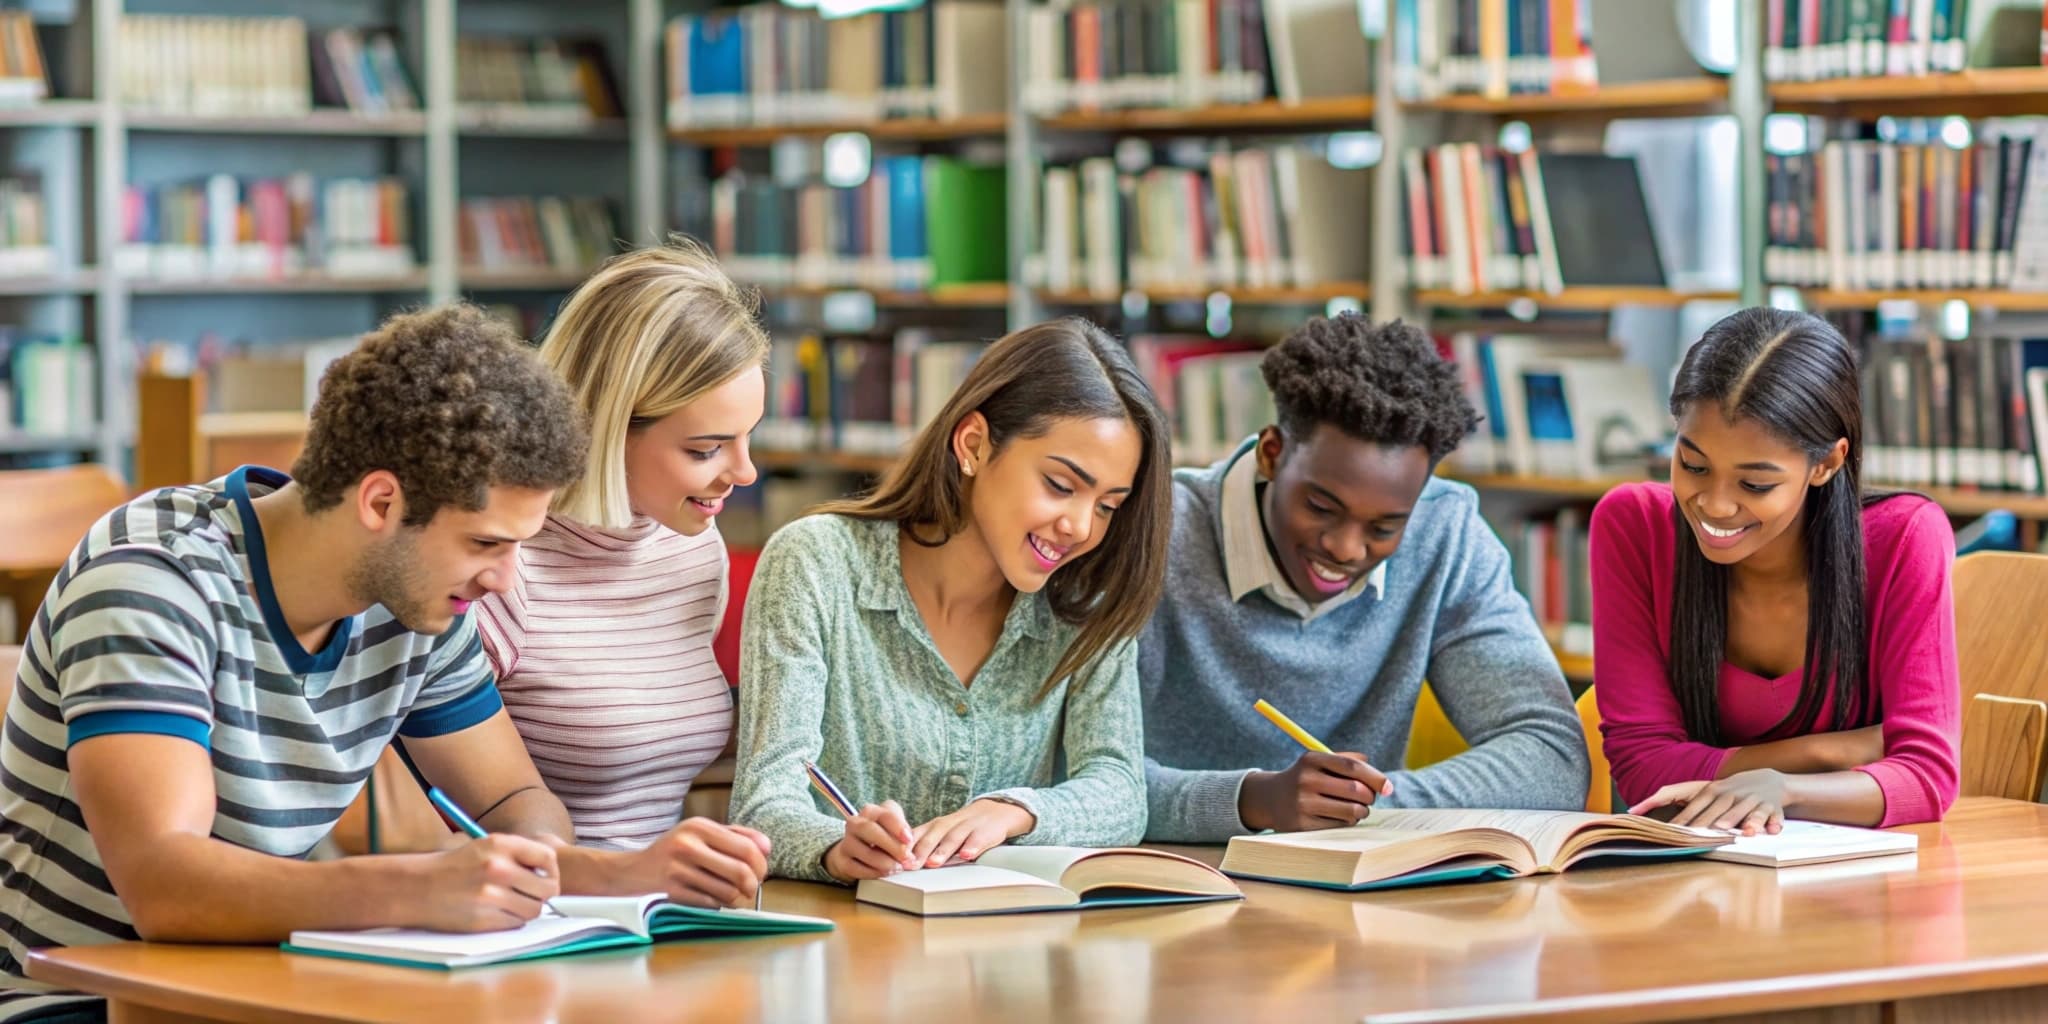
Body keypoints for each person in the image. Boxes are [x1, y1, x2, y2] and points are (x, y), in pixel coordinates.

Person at [0, 306, 712, 1021]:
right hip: (73, 1001)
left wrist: (571, 873)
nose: (504, 578)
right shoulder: (153, 579)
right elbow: (166, 887)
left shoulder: (417, 601)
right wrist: (422, 888)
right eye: (487, 543)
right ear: (381, 501)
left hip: (260, 990)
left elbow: (511, 802)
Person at [730, 318, 1171, 883]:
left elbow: (1120, 790)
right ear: (973, 446)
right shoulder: (816, 562)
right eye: (1061, 486)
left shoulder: (1085, 604)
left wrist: (1012, 812)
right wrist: (835, 847)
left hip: (1000, 948)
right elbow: (764, 802)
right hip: (843, 945)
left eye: (1108, 505)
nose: (1081, 526)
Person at [1139, 314, 1589, 843]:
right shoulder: (1152, 534)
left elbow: (1553, 756)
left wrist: (1364, 804)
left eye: (1384, 526)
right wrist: (1252, 801)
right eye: (1320, 507)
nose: (1346, 548)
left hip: (1357, 889)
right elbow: (1070, 772)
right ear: (1271, 453)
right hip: (1171, 890)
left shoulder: (1444, 533)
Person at [471, 243, 771, 906]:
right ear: (606, 428)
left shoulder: (694, 548)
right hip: (527, 925)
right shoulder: (496, 570)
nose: (743, 473)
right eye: (706, 448)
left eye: (749, 436)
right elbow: (437, 831)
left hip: (662, 920)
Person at [1593, 307, 1959, 833]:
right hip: (1695, 882)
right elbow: (1644, 772)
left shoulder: (1905, 538)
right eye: (1693, 466)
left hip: (1862, 891)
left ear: (1827, 463)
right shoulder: (1633, 527)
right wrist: (1844, 751)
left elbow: (1927, 779)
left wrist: (1784, 789)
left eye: (1755, 484)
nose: (1715, 505)